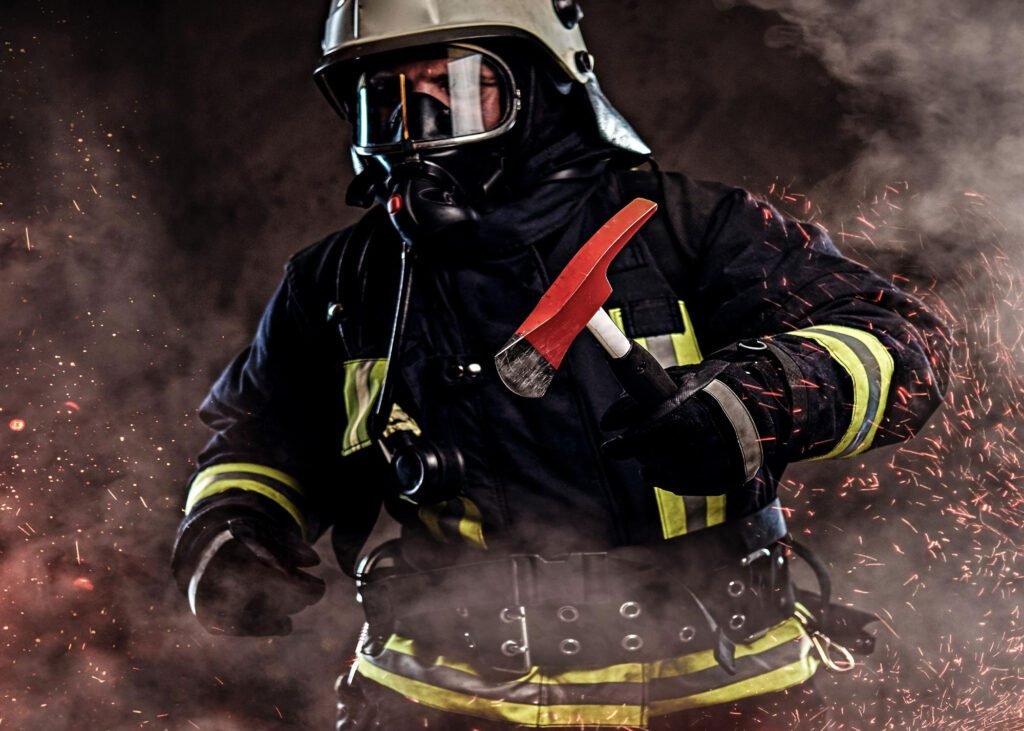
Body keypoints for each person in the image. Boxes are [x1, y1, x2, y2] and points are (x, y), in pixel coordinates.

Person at [171, 2, 951, 729]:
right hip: (439, 700)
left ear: (545, 87)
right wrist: (236, 523)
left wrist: (762, 398)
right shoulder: (343, 281)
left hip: (719, 692)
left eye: (459, 89)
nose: (421, 132)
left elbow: (900, 344)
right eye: (387, 101)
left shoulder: (692, 227)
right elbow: (260, 435)